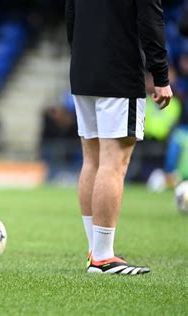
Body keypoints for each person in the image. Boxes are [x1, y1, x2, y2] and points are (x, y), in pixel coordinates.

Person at [66, 0, 172, 274]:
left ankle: (95, 250)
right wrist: (161, 76)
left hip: (82, 70)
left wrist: (80, 58)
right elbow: (151, 20)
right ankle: (102, 256)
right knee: (114, 163)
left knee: (92, 160)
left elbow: (71, 15)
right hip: (119, 71)